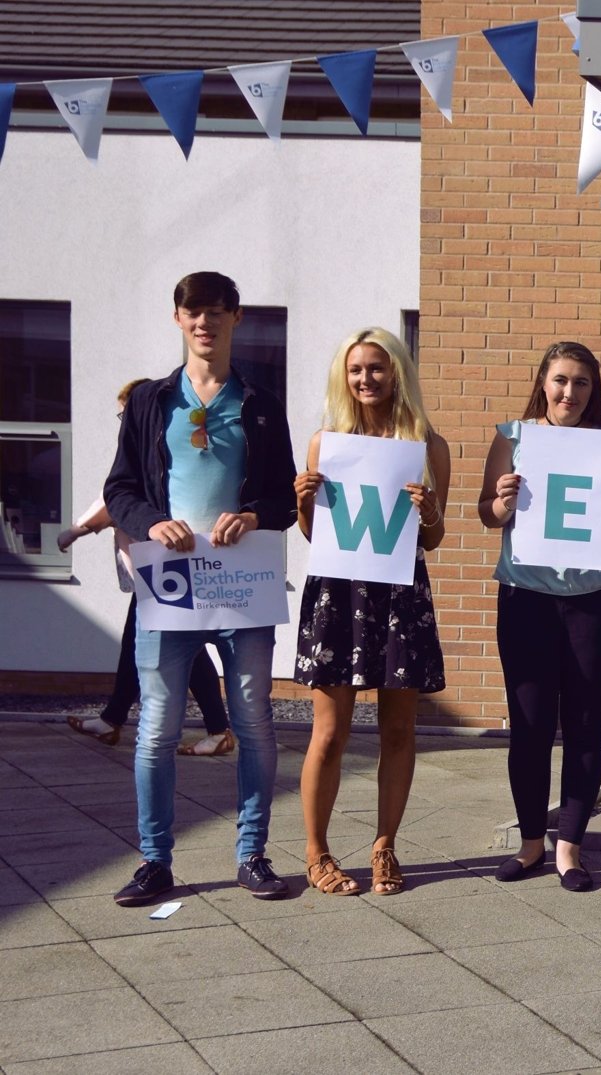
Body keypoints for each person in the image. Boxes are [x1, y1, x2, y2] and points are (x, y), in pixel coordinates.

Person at [104, 271, 297, 905]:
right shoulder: (151, 402)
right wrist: (147, 523)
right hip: (169, 587)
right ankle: (154, 860)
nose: (203, 323)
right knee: (157, 728)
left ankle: (252, 853)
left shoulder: (261, 404)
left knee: (254, 723)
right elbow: (120, 489)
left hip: (243, 587)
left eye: (216, 312)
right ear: (177, 318)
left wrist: (255, 515)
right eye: (192, 312)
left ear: (237, 318)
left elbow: (284, 498)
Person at [292, 328, 451, 896]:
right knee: (330, 733)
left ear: (397, 373)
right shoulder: (325, 441)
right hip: (338, 595)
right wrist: (303, 503)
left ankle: (385, 846)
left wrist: (430, 508)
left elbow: (432, 537)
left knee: (400, 730)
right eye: (356, 369)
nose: (366, 379)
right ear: (344, 375)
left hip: (399, 596)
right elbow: (316, 535)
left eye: (377, 368)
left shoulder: (428, 446)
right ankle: (317, 853)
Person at [481, 342, 601, 893]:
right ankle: (530, 846)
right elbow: (487, 514)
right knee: (528, 727)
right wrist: (502, 502)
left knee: (586, 722)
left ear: (594, 391)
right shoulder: (513, 437)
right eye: (560, 381)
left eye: (581, 383)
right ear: (542, 383)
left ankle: (569, 846)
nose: (569, 392)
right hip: (526, 598)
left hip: (593, 601)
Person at [61, 379, 232, 755]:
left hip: (162, 570)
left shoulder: (155, 451)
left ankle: (216, 729)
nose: (125, 419)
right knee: (144, 643)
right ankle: (114, 718)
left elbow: (111, 501)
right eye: (124, 413)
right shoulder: (142, 451)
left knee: (179, 646)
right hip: (153, 572)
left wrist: (74, 531)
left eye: (128, 412)